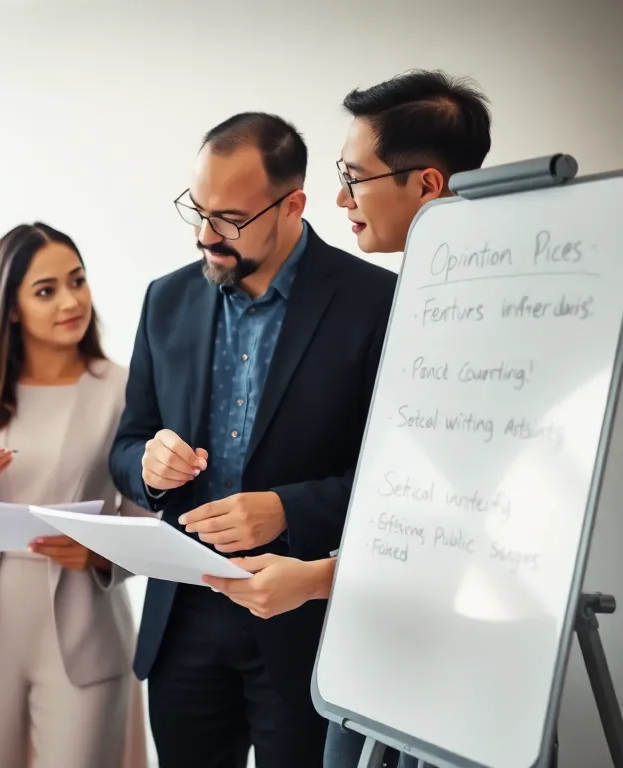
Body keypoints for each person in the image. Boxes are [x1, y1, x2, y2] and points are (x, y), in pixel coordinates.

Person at [198, 70, 492, 768]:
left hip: (442, 662)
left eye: (353, 177)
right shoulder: (424, 296)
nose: (338, 198)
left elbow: (457, 524)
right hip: (367, 652)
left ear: (425, 185)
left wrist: (312, 578)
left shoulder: (475, 320)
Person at [108, 113, 398, 767]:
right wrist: (149, 467)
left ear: (293, 204)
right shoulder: (166, 300)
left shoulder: (376, 303)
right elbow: (125, 447)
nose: (206, 236)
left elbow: (393, 484)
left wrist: (287, 510)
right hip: (181, 620)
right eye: (198, 211)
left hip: (303, 622)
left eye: (230, 219)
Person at [0, 223, 149, 768]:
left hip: (85, 626)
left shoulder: (124, 388)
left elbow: (146, 521)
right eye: (46, 290)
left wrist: (98, 553)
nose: (71, 301)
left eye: (78, 281)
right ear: (11, 307)